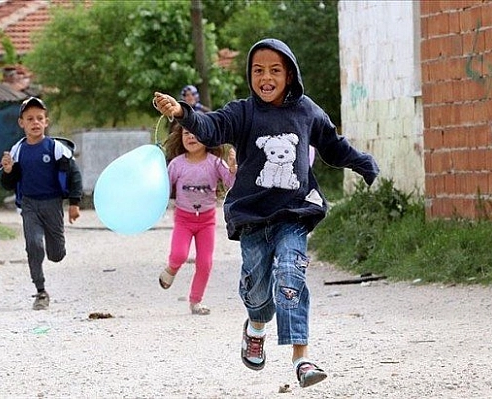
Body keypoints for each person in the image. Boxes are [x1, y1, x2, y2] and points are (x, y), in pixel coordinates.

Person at [153, 38, 379, 388]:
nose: (266, 77)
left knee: (292, 277)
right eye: (258, 70)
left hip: (294, 213)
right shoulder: (243, 113)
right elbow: (211, 126)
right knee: (259, 291)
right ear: (250, 75)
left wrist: (362, 163)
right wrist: (184, 113)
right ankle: (255, 327)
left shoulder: (307, 112)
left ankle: (301, 359)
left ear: (289, 74)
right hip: (253, 218)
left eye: (275, 70)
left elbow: (333, 147)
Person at [0, 97, 83, 310]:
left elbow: (74, 175)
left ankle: (53, 246)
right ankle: (40, 291)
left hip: (52, 204)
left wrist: (74, 203)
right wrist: (8, 171)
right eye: (30, 119)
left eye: (39, 118)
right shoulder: (17, 151)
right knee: (34, 245)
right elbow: (9, 184)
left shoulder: (55, 148)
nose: (35, 122)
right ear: (22, 123)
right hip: (29, 205)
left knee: (56, 255)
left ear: (46, 122)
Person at [158, 120, 237, 315]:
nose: (191, 137)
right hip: (183, 219)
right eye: (186, 134)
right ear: (180, 138)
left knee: (205, 263)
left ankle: (195, 301)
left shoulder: (216, 162)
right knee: (179, 254)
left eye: (196, 133)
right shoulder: (176, 164)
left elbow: (230, 183)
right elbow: (164, 189)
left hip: (207, 220)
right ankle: (171, 269)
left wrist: (233, 169)